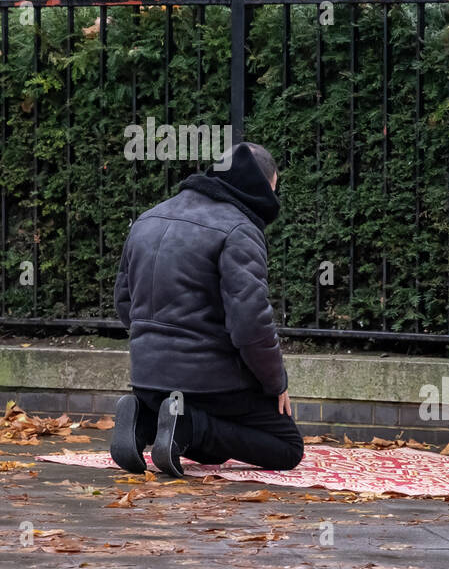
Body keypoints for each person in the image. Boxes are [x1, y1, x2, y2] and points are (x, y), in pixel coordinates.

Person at [109, 141, 304, 477]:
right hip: (210, 384)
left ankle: (145, 421)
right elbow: (251, 325)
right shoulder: (240, 229)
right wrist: (276, 383)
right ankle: (186, 427)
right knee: (287, 446)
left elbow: (124, 303)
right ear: (263, 185)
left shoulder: (148, 218)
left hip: (146, 377)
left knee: (180, 409)